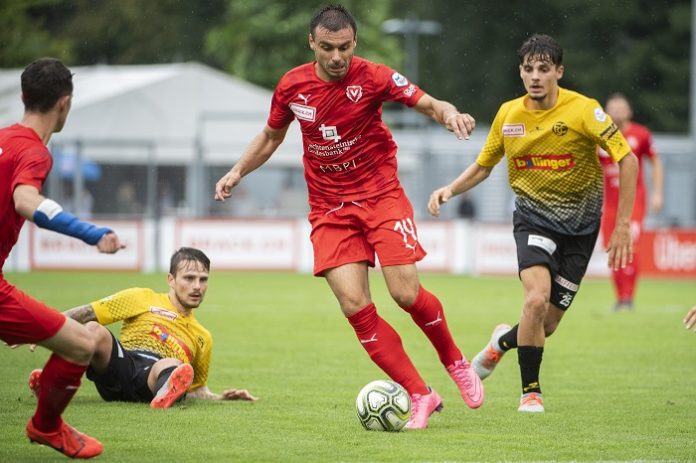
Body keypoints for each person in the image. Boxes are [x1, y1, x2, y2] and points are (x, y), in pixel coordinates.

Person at [214, 4, 482, 429]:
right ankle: (420, 394)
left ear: (354, 42)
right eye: (327, 48)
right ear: (312, 43)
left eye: (344, 47)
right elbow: (271, 136)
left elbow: (429, 103)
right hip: (329, 209)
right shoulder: (292, 86)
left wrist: (450, 114)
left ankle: (454, 360)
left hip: (381, 196)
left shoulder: (374, 76)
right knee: (354, 305)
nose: (337, 57)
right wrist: (237, 170)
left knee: (405, 294)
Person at [428, 34, 639, 413]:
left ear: (559, 71)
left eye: (544, 69)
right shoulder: (509, 115)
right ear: (521, 72)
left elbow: (628, 159)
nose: (536, 76)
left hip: (581, 228)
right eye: (529, 69)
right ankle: (531, 392)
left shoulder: (585, 110)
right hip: (533, 219)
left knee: (547, 323)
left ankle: (500, 344)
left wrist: (622, 224)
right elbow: (484, 165)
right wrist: (450, 189)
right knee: (536, 299)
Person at [0, 58, 124, 458]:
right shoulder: (33, 152)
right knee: (80, 344)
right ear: (64, 103)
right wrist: (91, 233)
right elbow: (25, 200)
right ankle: (46, 426)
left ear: (23, 97)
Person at [28, 247, 257, 407]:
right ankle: (53, 384)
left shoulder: (203, 337)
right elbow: (88, 312)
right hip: (121, 364)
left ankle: (163, 396)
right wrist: (44, 327)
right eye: (189, 278)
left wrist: (222, 399)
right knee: (94, 329)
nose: (197, 286)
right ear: (171, 280)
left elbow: (197, 389)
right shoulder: (141, 297)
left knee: (174, 366)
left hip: (152, 378)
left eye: (203, 279)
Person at [599, 93, 664, 311]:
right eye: (613, 109)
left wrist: (657, 193)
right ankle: (620, 298)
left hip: (634, 201)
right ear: (606, 112)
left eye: (621, 109)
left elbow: (655, 162)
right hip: (609, 203)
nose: (617, 112)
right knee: (612, 247)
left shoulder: (640, 134)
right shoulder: (600, 136)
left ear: (629, 111)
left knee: (630, 245)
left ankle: (628, 297)